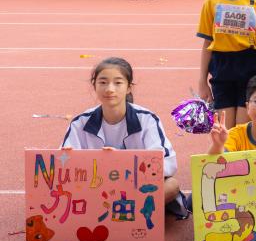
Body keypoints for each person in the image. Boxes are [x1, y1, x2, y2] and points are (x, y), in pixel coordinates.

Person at [61, 57, 184, 216]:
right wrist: (68, 159)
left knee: (171, 185)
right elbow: (62, 166)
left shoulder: (147, 119)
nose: (109, 89)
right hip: (96, 187)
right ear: (94, 85)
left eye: (118, 83)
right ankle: (114, 213)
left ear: (128, 88)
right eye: (103, 82)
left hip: (137, 189)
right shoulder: (80, 123)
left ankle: (122, 214)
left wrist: (121, 163)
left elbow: (168, 164)